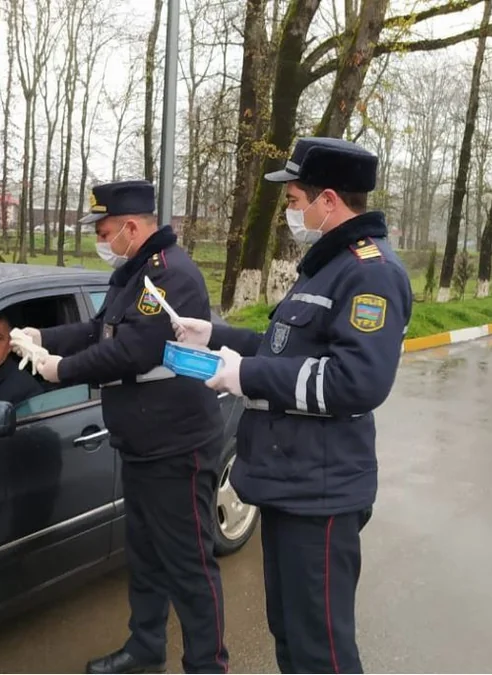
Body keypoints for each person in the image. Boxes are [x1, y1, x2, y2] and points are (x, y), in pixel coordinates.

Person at [174, 137, 413, 674]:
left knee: (319, 649)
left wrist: (245, 376)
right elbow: (285, 347)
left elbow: (358, 382)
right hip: (288, 482)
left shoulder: (369, 272)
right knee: (290, 632)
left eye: (293, 198)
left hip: (321, 493)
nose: (289, 211)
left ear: (327, 200)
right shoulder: (323, 266)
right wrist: (214, 335)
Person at [16, 180, 229, 674]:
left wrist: (60, 370)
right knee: (147, 556)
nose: (102, 239)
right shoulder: (132, 274)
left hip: (177, 447)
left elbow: (135, 350)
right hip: (141, 443)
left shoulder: (170, 275)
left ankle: (207, 665)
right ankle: (144, 649)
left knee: (190, 565)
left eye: (106, 230)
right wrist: (41, 335)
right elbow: (99, 331)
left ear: (132, 227)